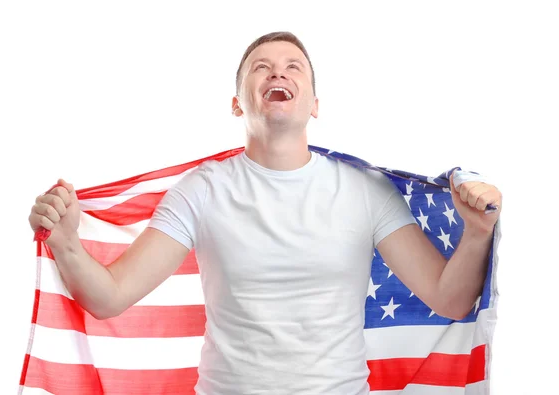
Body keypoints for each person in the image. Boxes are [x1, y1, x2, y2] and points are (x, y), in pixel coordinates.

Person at [28, 31, 502, 395]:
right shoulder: (201, 191)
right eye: (261, 67)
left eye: (294, 66)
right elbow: (111, 296)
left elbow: (450, 299)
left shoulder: (365, 191)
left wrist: (477, 232)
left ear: (315, 105)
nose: (279, 73)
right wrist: (66, 241)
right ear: (238, 104)